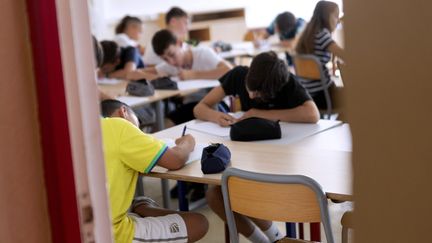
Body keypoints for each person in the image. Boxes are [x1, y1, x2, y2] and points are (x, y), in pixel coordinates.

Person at [193, 52, 319, 242]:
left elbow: (312, 114)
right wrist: (216, 116)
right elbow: (200, 107)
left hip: (280, 162)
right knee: (215, 195)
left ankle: (275, 237)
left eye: (258, 94)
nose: (251, 95)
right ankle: (268, 239)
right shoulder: (238, 75)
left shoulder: (285, 81)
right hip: (246, 157)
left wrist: (258, 113)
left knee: (245, 191)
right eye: (249, 88)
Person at [100, 99, 208, 243]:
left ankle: (143, 210)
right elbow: (176, 159)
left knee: (141, 200)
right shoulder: (119, 126)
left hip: (85, 223)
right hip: (112, 233)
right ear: (123, 112)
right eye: (137, 128)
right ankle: (144, 212)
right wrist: (187, 141)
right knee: (199, 222)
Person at [295, 1, 344, 109]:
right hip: (323, 96)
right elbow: (344, 55)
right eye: (336, 16)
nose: (338, 20)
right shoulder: (323, 34)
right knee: (354, 96)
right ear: (326, 16)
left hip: (307, 96)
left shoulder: (309, 33)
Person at [147, 29, 232, 80]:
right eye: (165, 59)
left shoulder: (203, 53)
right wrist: (157, 78)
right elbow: (135, 73)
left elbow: (228, 70)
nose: (171, 62)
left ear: (179, 44)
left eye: (172, 55)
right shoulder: (170, 66)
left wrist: (194, 74)